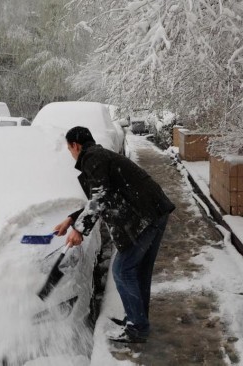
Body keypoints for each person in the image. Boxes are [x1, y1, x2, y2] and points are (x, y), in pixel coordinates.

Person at [54, 126, 175, 343]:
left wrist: (80, 230)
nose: (70, 153)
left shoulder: (92, 157)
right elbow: (101, 196)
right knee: (138, 272)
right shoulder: (99, 156)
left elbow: (100, 195)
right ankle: (137, 321)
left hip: (145, 216)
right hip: (154, 211)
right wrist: (71, 220)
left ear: (75, 145)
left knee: (122, 270)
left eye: (69, 148)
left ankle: (136, 327)